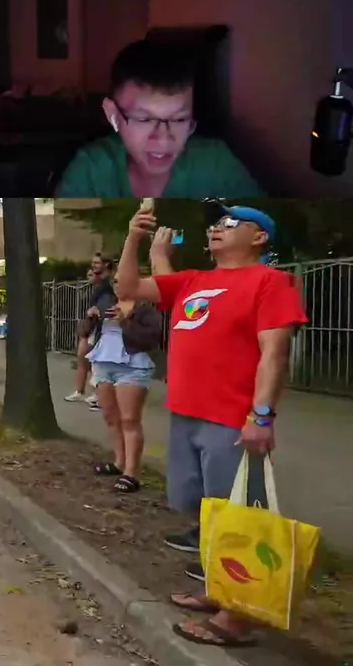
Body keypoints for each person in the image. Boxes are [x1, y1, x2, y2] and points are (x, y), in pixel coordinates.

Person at [115, 203, 306, 649]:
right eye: (216, 224)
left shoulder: (271, 281)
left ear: (259, 237)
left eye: (230, 223)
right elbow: (128, 288)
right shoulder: (195, 281)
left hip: (232, 420)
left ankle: (236, 618)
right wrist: (133, 238)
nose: (217, 229)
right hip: (186, 414)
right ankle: (218, 588)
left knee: (239, 517)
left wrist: (261, 416)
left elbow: (274, 353)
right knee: (205, 511)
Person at [55, 39, 263, 198]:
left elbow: (266, 231)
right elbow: (55, 237)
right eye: (144, 120)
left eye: (179, 120)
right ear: (113, 115)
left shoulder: (217, 165)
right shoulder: (91, 170)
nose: (164, 139)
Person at [84, 278, 163, 494]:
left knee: (129, 420)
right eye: (115, 282)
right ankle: (119, 462)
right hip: (103, 364)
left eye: (122, 281)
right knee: (111, 417)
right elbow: (84, 332)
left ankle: (131, 472)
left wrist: (124, 321)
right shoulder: (106, 304)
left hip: (132, 366)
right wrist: (90, 318)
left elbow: (151, 339)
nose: (118, 285)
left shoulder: (144, 309)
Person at [65, 255, 114, 407]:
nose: (93, 266)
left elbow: (108, 305)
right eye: (93, 263)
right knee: (83, 357)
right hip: (92, 325)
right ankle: (81, 391)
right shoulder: (96, 286)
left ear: (106, 264)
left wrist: (97, 312)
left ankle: (100, 394)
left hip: (102, 326)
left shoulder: (108, 284)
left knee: (98, 361)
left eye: (97, 263)